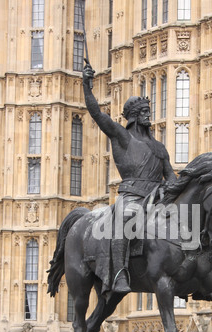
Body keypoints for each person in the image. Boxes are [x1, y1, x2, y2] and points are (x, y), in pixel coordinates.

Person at [83, 63, 177, 294]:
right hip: (132, 197)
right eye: (144, 112)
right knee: (126, 219)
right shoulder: (122, 137)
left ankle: (196, 275)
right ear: (134, 117)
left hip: (156, 199)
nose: (148, 116)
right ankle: (118, 274)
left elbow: (171, 177)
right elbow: (96, 113)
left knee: (188, 220)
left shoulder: (159, 147)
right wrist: (86, 86)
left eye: (148, 111)